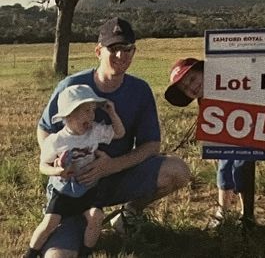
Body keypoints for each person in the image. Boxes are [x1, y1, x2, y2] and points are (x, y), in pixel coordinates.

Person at [36, 17, 190, 258]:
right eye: (114, 49)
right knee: (57, 257)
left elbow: (152, 145)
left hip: (117, 176)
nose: (122, 55)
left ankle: (127, 215)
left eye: (127, 49)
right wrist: (55, 162)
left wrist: (111, 166)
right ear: (98, 51)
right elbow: (44, 128)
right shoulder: (72, 85)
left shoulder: (140, 90)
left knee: (178, 170)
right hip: (75, 186)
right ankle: (74, 225)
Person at [24, 84, 126, 258]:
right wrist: (58, 171)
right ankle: (30, 253)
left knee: (96, 217)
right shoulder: (57, 141)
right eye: (85, 111)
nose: (91, 116)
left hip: (88, 187)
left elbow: (119, 133)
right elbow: (43, 166)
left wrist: (112, 113)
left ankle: (85, 252)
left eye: (93, 110)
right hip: (64, 189)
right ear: (68, 115)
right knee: (50, 222)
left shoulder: (94, 131)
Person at [164, 58, 252, 225]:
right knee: (224, 169)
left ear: (203, 71)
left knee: (242, 167)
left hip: (246, 134)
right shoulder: (203, 99)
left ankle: (246, 212)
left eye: (191, 79)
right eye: (185, 89)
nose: (191, 87)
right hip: (225, 139)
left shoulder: (230, 83)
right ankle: (223, 211)